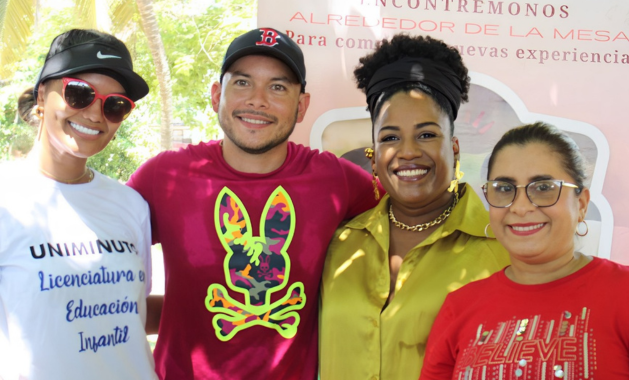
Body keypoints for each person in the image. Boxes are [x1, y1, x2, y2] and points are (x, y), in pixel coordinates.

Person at [126, 27, 378, 379]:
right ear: (217, 96)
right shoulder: (163, 176)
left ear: (302, 105)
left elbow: (412, 228)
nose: (258, 100)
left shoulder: (340, 182)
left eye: (278, 87)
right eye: (243, 83)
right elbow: (105, 271)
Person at [319, 34, 510, 380]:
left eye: (426, 134)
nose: (407, 152)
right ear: (374, 157)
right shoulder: (340, 243)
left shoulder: (501, 251)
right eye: (390, 137)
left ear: (454, 148)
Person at [419, 122, 629, 380]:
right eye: (504, 189)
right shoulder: (458, 308)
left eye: (542, 188)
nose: (520, 207)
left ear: (582, 204)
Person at [0, 29, 156, 380]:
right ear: (43, 95)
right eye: (79, 93)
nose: (95, 114)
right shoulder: (6, 201)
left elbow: (132, 311)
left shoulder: (131, 205)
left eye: (115, 105)